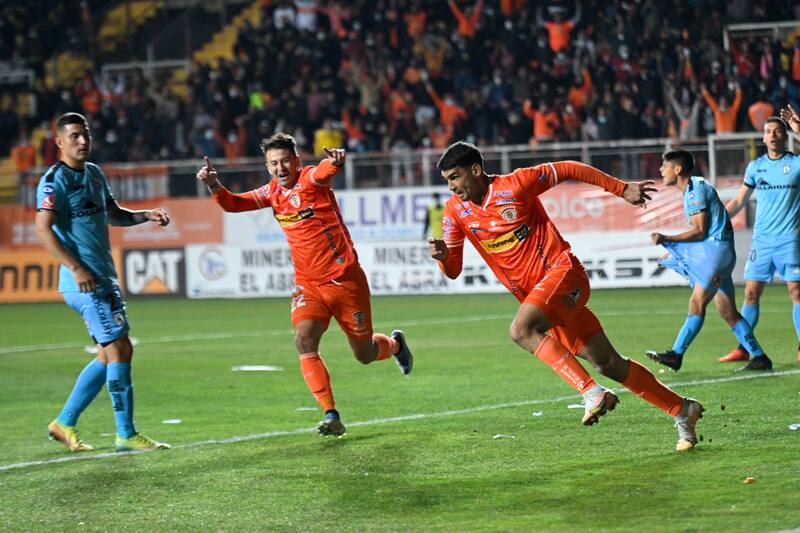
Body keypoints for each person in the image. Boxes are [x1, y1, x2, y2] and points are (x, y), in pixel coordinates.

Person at [427, 141, 704, 451]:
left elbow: (570, 168)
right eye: (447, 180)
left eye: (455, 177)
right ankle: (682, 409)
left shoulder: (516, 184)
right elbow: (453, 270)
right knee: (608, 363)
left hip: (563, 275)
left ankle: (591, 393)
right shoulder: (455, 212)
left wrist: (621, 188)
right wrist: (441, 256)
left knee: (521, 330)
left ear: (475, 170)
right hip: (541, 301)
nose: (452, 186)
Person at [197, 133, 413, 437]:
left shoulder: (311, 179)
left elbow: (324, 171)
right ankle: (331, 413)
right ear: (267, 166)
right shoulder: (271, 193)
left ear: (297, 161)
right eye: (273, 163)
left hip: (345, 280)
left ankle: (394, 345)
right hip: (308, 284)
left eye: (285, 160)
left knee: (363, 354)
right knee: (303, 340)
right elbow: (233, 204)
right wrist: (213, 185)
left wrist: (335, 162)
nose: (280, 167)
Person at [35, 112, 171, 452]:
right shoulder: (55, 180)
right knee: (121, 348)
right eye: (75, 136)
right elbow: (43, 229)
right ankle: (125, 433)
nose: (83, 141)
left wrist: (146, 215)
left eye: (86, 135)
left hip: (103, 277)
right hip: (83, 282)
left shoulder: (95, 174)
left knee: (107, 355)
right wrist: (76, 268)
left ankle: (63, 422)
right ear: (60, 142)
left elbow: (114, 214)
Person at [645, 150, 769, 371]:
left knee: (697, 302)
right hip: (718, 253)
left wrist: (668, 239)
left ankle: (676, 354)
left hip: (715, 254)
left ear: (678, 169)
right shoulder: (694, 188)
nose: (660, 170)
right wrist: (674, 250)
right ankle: (759, 356)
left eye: (664, 166)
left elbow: (700, 232)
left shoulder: (694, 191)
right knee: (727, 311)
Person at [721, 111, 800, 366]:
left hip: (791, 239)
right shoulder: (756, 167)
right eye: (768, 132)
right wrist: (716, 217)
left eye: (777, 131)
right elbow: (739, 200)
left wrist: (798, 127)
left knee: (796, 292)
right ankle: (744, 348)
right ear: (763, 138)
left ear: (785, 135)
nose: (773, 135)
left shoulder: (796, 163)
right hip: (762, 241)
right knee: (751, 295)